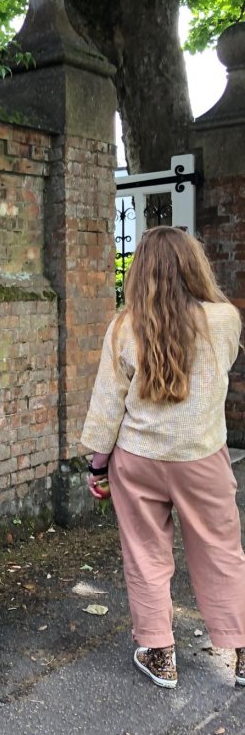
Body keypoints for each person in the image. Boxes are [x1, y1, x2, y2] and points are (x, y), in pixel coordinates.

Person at [81, 225, 245, 689]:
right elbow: (218, 371)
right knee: (221, 552)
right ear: (194, 266)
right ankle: (242, 650)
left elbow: (108, 403)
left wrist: (97, 466)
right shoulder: (224, 319)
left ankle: (160, 655)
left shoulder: (124, 327)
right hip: (200, 456)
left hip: (137, 459)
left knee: (145, 555)